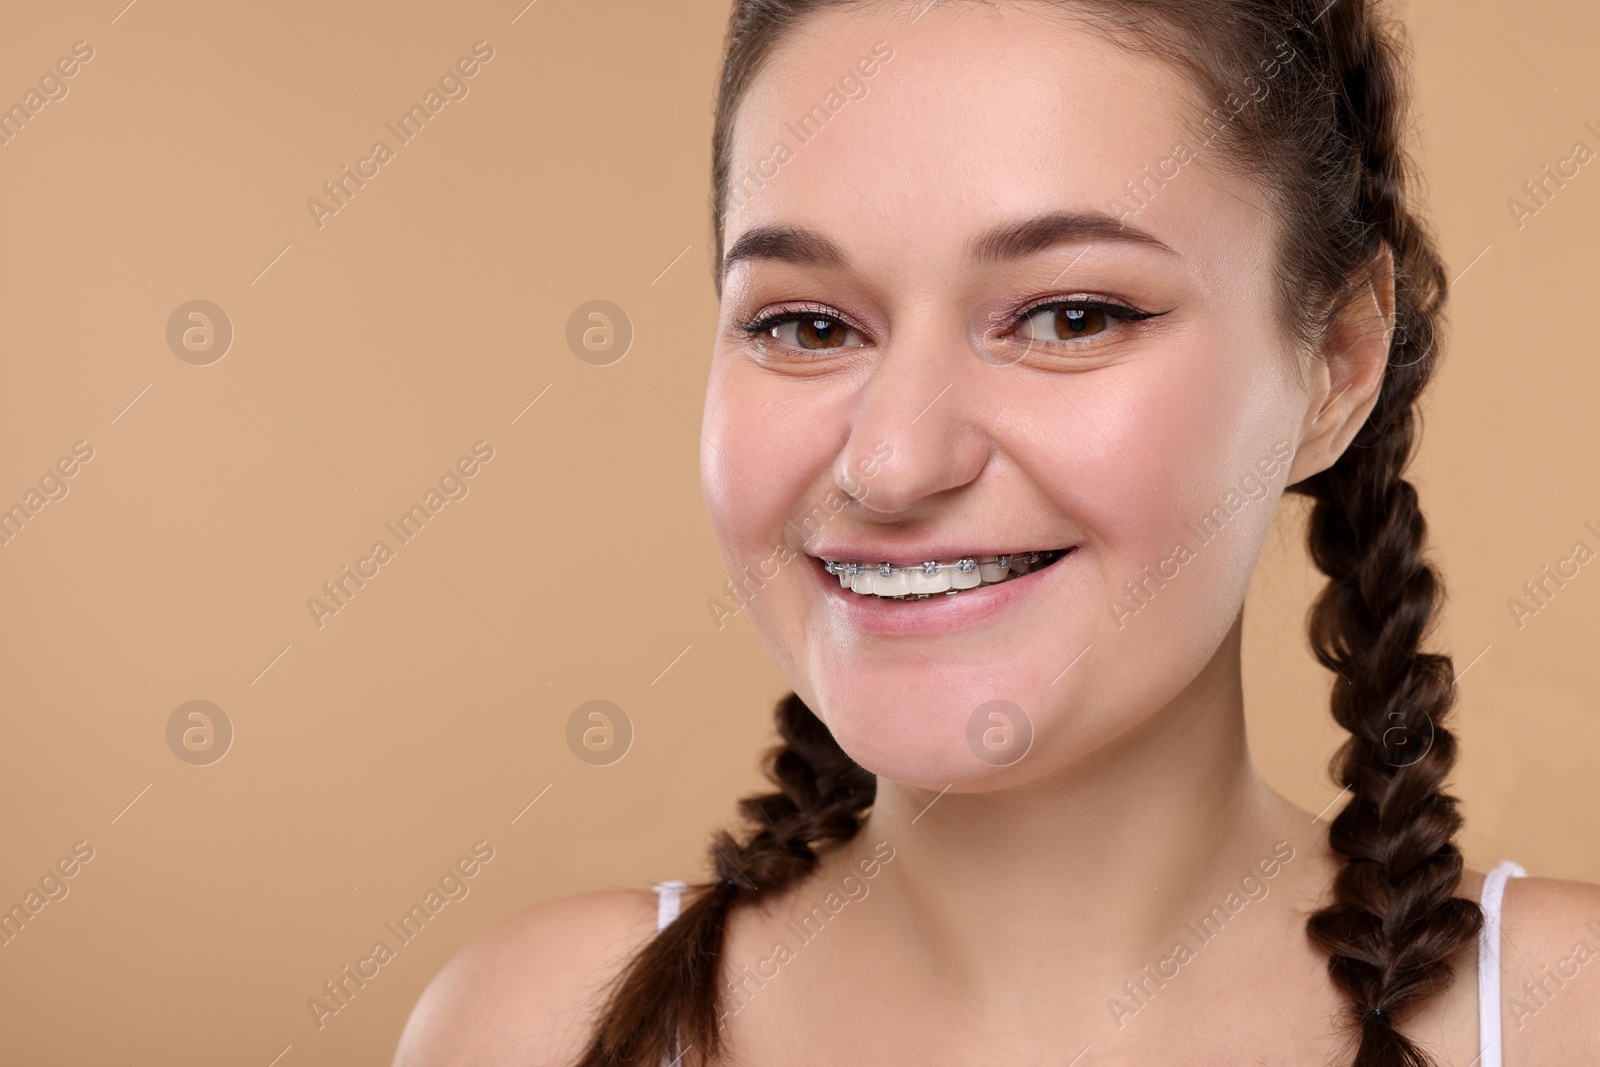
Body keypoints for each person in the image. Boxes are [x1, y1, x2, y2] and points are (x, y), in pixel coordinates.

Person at [393, 1, 1600, 1064]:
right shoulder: (532, 1029)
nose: (892, 461)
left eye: (1071, 315)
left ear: (1338, 362)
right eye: (808, 325)